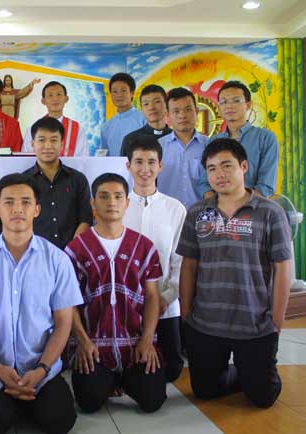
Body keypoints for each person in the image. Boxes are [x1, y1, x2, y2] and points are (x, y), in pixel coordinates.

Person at [0, 173, 82, 434]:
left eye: (25, 202)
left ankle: (26, 397)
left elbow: (63, 323)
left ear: (37, 209)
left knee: (60, 422)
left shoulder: (57, 260)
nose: (17, 209)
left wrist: (42, 369)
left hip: (41, 368)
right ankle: (13, 400)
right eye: (9, 202)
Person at [178, 138, 292, 408]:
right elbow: (189, 265)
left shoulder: (270, 213)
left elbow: (283, 268)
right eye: (212, 168)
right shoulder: (197, 213)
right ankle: (240, 372)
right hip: (206, 323)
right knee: (204, 391)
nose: (219, 174)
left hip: (254, 324)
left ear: (244, 167)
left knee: (263, 397)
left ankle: (253, 373)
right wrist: (186, 313)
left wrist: (276, 320)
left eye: (227, 165)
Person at [65, 173, 167, 413]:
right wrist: (82, 341)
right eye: (104, 196)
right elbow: (67, 302)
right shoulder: (76, 248)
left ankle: (121, 380)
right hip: (93, 347)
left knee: (153, 400)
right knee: (89, 402)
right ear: (93, 203)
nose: (111, 202)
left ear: (126, 202)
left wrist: (147, 340)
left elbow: (153, 296)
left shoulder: (144, 246)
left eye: (118, 196)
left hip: (135, 344)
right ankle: (107, 381)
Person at [123, 137, 186, 382]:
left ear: (160, 166)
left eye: (151, 162)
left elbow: (181, 261)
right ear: (128, 166)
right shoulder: (119, 206)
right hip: (125, 304)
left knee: (171, 370)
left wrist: (166, 297)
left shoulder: (175, 208)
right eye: (138, 162)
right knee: (127, 366)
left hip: (164, 304)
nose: (145, 169)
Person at [197, 80, 279, 198]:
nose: (229, 106)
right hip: (219, 206)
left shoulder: (265, 138)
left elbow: (266, 186)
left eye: (236, 100)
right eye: (224, 102)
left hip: (253, 205)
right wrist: (216, 204)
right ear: (219, 107)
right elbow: (204, 183)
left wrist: (239, 203)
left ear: (248, 105)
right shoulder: (213, 141)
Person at [22, 117, 92, 249]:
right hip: (35, 252)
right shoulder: (23, 182)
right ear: (32, 144)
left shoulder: (78, 179)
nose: (48, 146)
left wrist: (73, 249)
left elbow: (86, 218)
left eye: (54, 140)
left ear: (62, 144)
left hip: (72, 252)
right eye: (41, 140)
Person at [157, 87, 208, 208]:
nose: (182, 115)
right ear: (167, 115)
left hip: (201, 213)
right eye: (176, 111)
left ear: (196, 111)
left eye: (188, 109)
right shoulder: (157, 147)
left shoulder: (209, 145)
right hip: (166, 213)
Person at [22, 81, 89, 156]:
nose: (55, 99)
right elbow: (26, 157)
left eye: (59, 94)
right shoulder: (33, 129)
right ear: (43, 101)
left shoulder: (77, 129)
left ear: (66, 99)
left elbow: (83, 158)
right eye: (50, 95)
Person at [120, 84, 172, 158]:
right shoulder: (130, 140)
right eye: (146, 104)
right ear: (142, 109)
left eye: (157, 102)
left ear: (166, 105)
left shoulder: (176, 137)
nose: (151, 107)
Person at [100, 72, 146, 157]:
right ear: (111, 94)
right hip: (113, 166)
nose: (119, 95)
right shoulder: (106, 126)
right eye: (115, 91)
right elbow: (104, 156)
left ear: (132, 93)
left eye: (123, 90)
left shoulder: (144, 119)